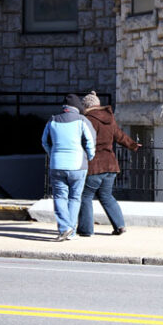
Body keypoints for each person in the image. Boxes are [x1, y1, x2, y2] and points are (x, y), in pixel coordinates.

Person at [77, 91, 141, 237]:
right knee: (106, 195)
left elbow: (84, 141)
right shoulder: (109, 118)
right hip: (111, 165)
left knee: (85, 196)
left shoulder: (88, 120)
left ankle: (86, 230)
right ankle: (120, 225)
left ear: (86, 106)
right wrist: (133, 145)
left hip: (95, 166)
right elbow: (119, 135)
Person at [41, 94, 96, 241]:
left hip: (57, 164)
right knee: (75, 198)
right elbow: (90, 141)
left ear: (64, 107)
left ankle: (64, 228)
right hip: (78, 165)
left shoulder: (52, 120)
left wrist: (53, 153)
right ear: (77, 107)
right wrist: (90, 156)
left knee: (59, 196)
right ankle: (70, 231)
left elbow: (44, 142)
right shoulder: (82, 121)